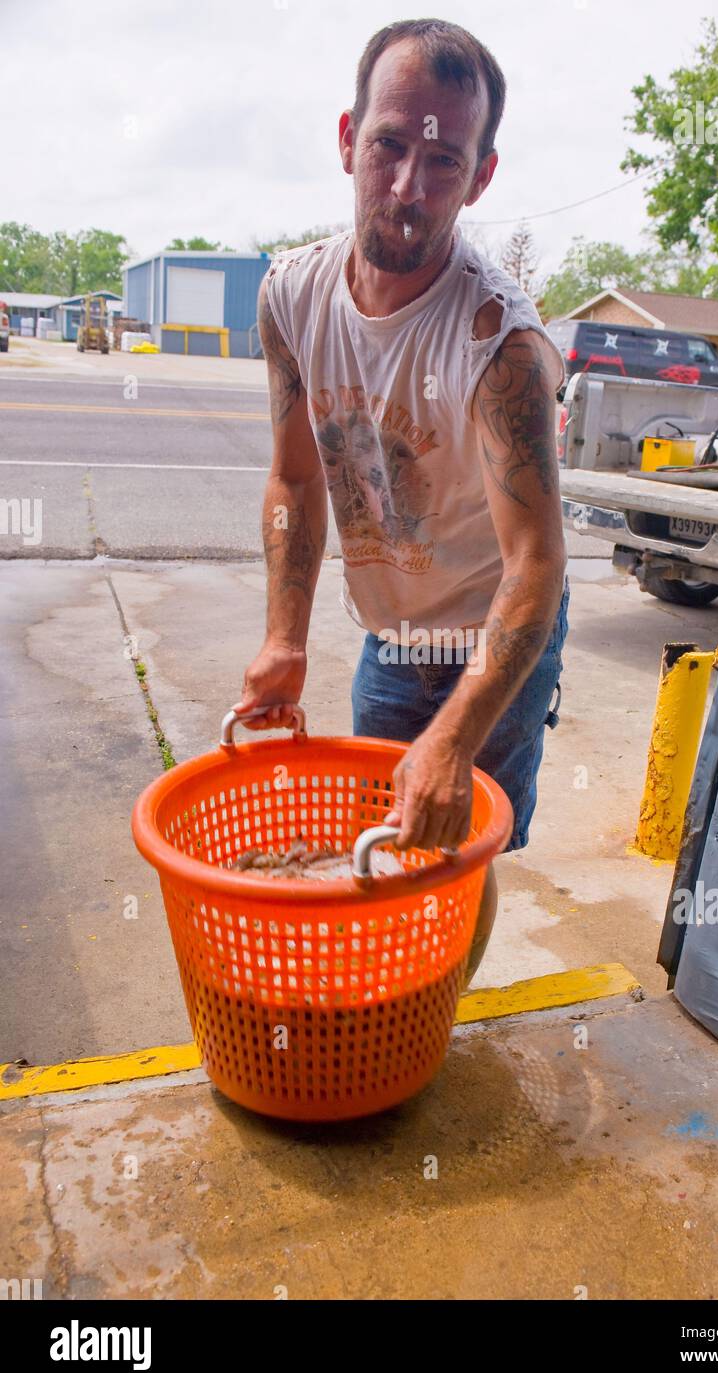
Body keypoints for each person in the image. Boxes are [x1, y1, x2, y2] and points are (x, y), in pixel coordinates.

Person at [234, 18, 568, 983]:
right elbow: (295, 476)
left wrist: (456, 738)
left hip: (494, 631)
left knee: (452, 846)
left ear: (482, 173)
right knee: (382, 839)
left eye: (444, 160)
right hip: (393, 631)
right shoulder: (289, 295)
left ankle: (426, 1027)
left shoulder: (496, 342)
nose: (409, 187)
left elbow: (537, 563)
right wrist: (285, 639)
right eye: (389, 145)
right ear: (347, 137)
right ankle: (383, 1000)